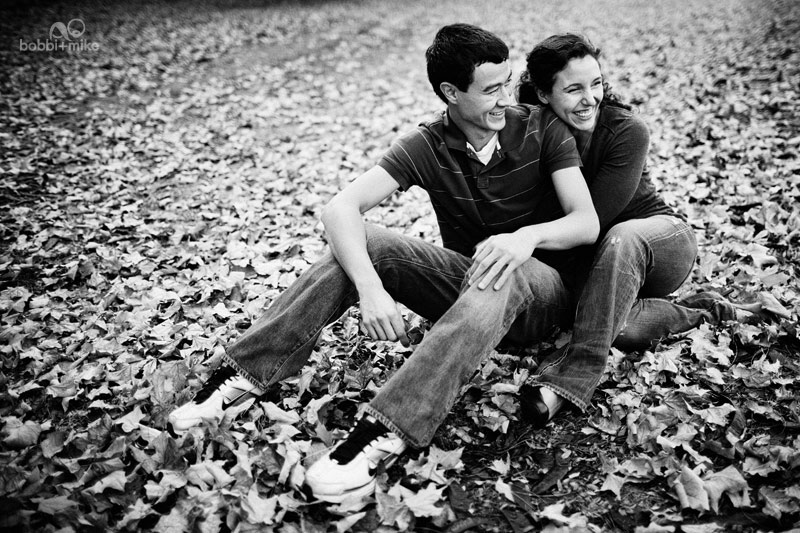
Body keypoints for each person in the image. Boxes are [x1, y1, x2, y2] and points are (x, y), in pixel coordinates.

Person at [168, 24, 600, 503]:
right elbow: (340, 209)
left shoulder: (542, 128)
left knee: (502, 267)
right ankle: (242, 375)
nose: (505, 99)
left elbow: (586, 222)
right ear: (450, 93)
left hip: (540, 294)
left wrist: (525, 238)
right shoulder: (428, 144)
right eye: (490, 90)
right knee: (359, 242)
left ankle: (386, 429)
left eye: (507, 83)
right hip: (470, 292)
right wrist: (370, 287)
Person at [514, 33, 775, 426]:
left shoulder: (626, 130)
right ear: (542, 94)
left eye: (596, 83)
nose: (590, 98)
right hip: (597, 268)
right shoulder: (531, 134)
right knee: (619, 328)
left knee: (622, 237)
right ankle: (709, 311)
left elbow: (593, 222)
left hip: (659, 243)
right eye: (573, 89)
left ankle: (568, 380)